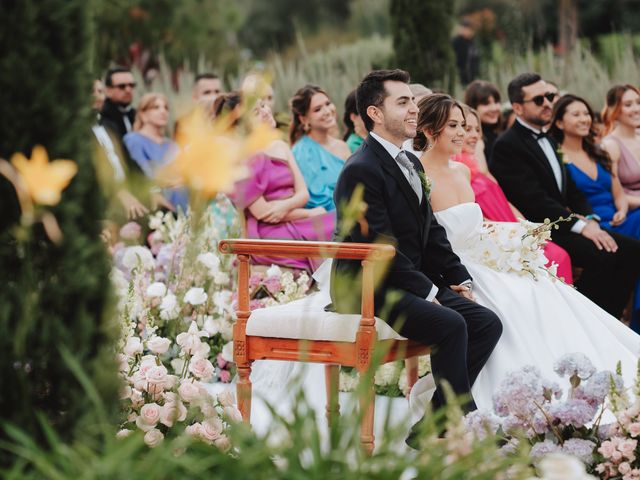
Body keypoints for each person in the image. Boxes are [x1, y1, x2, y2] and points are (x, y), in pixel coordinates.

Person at [414, 91, 640, 418]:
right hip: (454, 268)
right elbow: (427, 238)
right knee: (514, 301)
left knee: (547, 288)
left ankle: (578, 374)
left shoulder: (462, 172)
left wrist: (515, 235)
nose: (463, 133)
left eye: (464, 125)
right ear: (428, 129)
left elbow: (477, 224)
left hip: (483, 258)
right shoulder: (417, 178)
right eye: (453, 126)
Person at [330, 70, 503, 444]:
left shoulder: (409, 163)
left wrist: (460, 279)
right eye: (403, 102)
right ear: (375, 113)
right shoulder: (361, 169)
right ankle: (465, 420)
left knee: (487, 322)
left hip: (406, 277)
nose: (414, 108)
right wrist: (431, 292)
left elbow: (433, 234)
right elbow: (379, 246)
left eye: (413, 100)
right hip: (370, 284)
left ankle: (432, 423)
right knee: (450, 323)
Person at [491, 73, 640, 319]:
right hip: (541, 228)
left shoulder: (548, 138)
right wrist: (581, 226)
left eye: (549, 96)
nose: (548, 103)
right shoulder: (508, 145)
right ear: (517, 107)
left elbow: (571, 189)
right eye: (538, 100)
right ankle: (584, 320)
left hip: (566, 222)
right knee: (602, 256)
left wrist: (590, 218)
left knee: (632, 250)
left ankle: (609, 320)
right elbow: (534, 201)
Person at [452, 105, 573, 283]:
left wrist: (527, 227)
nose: (474, 135)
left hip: (509, 225)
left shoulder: (479, 168)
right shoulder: (456, 172)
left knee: (558, 254)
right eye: (467, 128)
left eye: (477, 129)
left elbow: (503, 199)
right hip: (495, 235)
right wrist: (513, 235)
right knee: (554, 258)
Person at [550, 93, 640, 329]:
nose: (585, 119)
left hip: (618, 218)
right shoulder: (557, 157)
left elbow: (619, 194)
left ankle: (620, 316)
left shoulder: (598, 153)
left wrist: (621, 209)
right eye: (576, 114)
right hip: (590, 223)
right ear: (559, 123)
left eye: (587, 113)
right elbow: (563, 199)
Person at [227, 95, 335, 271]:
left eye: (263, 105)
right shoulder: (239, 160)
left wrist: (284, 206)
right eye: (256, 112)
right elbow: (263, 213)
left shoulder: (281, 146)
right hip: (269, 230)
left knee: (346, 221)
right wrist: (308, 214)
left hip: (294, 216)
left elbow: (303, 194)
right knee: (336, 227)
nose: (265, 111)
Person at [123, 93, 187, 212]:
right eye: (156, 107)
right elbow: (140, 175)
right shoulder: (134, 140)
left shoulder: (172, 145)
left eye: (166, 108)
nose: (163, 111)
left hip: (182, 204)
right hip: (155, 206)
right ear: (143, 114)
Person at [290, 85, 350, 211]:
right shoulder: (301, 153)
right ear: (304, 119)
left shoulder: (343, 146)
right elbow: (316, 200)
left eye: (328, 104)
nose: (327, 111)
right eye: (317, 109)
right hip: (330, 223)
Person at [601, 85, 640, 211]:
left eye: (638, 102)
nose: (636, 109)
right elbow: (614, 194)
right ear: (614, 111)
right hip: (632, 210)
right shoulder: (610, 146)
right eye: (628, 105)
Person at [464, 80, 502, 164]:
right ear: (473, 107)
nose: (494, 108)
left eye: (496, 102)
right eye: (486, 104)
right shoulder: (471, 141)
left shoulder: (500, 133)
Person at [100, 66, 137, 140]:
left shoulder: (138, 115)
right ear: (108, 91)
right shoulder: (102, 117)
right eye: (122, 86)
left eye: (131, 85)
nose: (128, 90)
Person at [452, 19, 480, 86]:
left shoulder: (473, 43)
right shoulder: (456, 42)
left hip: (471, 77)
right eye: (463, 29)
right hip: (458, 77)